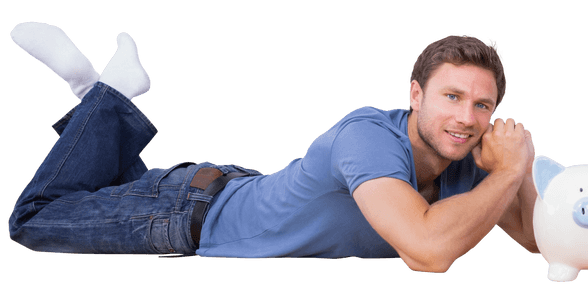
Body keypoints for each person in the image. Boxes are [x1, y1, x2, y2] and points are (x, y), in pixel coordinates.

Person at [6, 21, 539, 273]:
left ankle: (95, 94)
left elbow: (539, 240)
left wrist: (520, 170)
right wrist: (509, 172)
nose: (466, 118)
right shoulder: (370, 136)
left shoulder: (469, 160)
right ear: (416, 95)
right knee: (34, 217)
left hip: (229, 189)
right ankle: (108, 94)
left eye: (482, 105)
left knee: (105, 182)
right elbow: (427, 251)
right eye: (452, 96)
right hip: (187, 216)